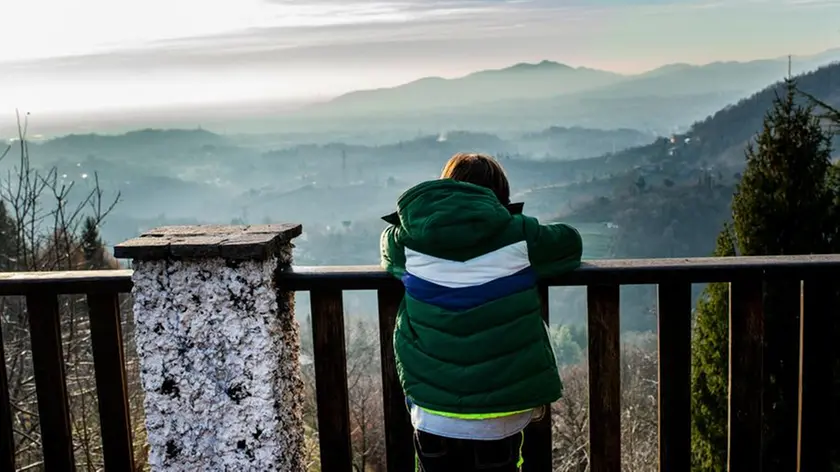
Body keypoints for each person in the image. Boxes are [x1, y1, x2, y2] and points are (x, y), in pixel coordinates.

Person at [380, 152, 583, 471]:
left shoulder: (407, 241)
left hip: (434, 412)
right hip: (500, 414)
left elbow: (388, 251)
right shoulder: (519, 235)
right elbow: (570, 243)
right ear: (499, 195)